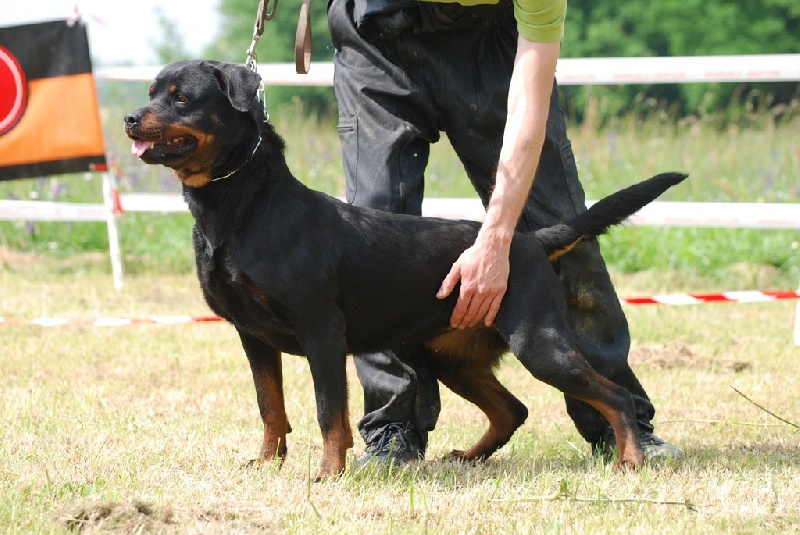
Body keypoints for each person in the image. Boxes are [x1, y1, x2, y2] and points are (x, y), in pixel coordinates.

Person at [327, 0, 683, 465]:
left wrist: (496, 241)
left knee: (556, 226)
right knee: (375, 235)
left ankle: (618, 424)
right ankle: (393, 431)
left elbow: (530, 107)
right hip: (375, 34)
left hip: (491, 38)